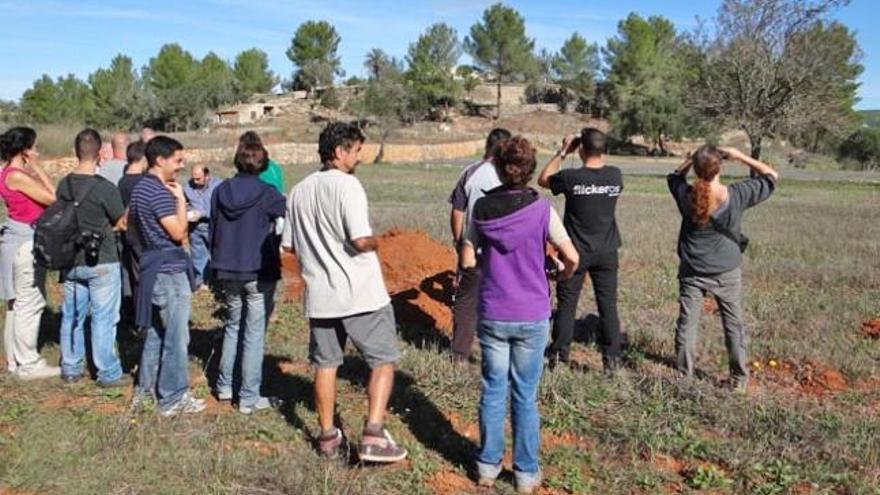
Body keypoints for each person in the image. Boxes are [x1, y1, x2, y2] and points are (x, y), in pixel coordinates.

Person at [282, 122, 407, 463]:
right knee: (383, 361)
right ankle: (374, 434)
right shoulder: (348, 187)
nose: (360, 157)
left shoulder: (299, 190)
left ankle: (327, 438)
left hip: (321, 296)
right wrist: (382, 241)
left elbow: (289, 246)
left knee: (325, 365)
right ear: (339, 152)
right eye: (356, 150)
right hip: (361, 294)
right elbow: (360, 239)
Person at [460, 136, 578, 494]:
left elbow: (467, 259)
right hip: (532, 314)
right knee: (525, 394)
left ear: (497, 166)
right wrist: (559, 274)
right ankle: (526, 475)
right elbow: (572, 257)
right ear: (528, 171)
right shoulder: (542, 210)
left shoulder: (479, 208)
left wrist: (486, 266)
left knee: (493, 390)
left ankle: (487, 466)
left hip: (494, 312)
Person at [667, 145, 778, 391]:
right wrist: (741, 156)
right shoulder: (737, 194)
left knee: (688, 323)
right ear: (721, 167)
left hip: (692, 270)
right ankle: (739, 380)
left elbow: (673, 177)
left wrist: (690, 160)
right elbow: (771, 176)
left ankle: (684, 376)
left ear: (696, 169)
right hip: (726, 270)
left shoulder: (687, 195)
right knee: (733, 324)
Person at [537, 128, 624, 373]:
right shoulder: (615, 175)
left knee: (567, 303)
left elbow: (543, 179)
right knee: (608, 305)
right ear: (604, 149)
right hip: (607, 251)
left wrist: (563, 152)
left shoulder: (571, 178)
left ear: (581, 149)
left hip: (575, 250)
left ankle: (559, 357)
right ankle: (612, 361)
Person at [129, 136, 205, 416]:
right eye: (177, 160)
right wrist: (180, 202)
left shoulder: (140, 189)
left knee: (156, 334)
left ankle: (145, 392)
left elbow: (128, 224)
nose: (181, 166)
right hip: (169, 272)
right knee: (176, 337)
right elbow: (178, 233)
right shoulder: (161, 193)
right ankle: (173, 398)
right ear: (160, 160)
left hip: (152, 268)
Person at [210, 137, 285, 414]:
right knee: (254, 334)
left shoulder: (220, 191)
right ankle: (249, 396)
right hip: (258, 270)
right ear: (263, 163)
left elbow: (213, 229)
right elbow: (288, 212)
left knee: (232, 326)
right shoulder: (267, 193)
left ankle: (225, 387)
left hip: (227, 268)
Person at [57, 129, 129, 387]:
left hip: (70, 260)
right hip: (102, 260)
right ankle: (107, 372)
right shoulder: (105, 188)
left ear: (76, 152)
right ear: (100, 154)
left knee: (72, 315)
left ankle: (71, 367)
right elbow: (121, 222)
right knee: (103, 318)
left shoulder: (63, 185)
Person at [447, 128, 511, 363]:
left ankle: (459, 355)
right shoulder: (510, 175)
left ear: (487, 145)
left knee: (465, 302)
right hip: (504, 251)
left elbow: (457, 211)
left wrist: (459, 242)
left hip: (473, 249)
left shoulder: (470, 172)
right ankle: (498, 354)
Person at [0, 127, 58, 379]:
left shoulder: (6, 173)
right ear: (24, 150)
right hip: (26, 243)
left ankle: (14, 360)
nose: (37, 152)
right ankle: (28, 363)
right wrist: (38, 168)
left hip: (16, 240)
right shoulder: (18, 175)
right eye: (33, 148)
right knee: (30, 302)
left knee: (15, 303)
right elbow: (52, 197)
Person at [118, 141, 147, 308]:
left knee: (132, 275)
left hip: (127, 235)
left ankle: (132, 311)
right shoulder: (143, 182)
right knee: (143, 279)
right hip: (142, 237)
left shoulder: (122, 182)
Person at [183, 165, 222, 288]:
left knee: (218, 254)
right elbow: (185, 203)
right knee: (198, 255)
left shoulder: (218, 186)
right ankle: (201, 282)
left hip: (214, 225)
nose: (195, 182)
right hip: (196, 227)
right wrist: (188, 211)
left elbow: (220, 207)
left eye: (198, 179)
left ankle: (219, 282)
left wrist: (202, 213)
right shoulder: (187, 187)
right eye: (193, 178)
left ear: (207, 176)